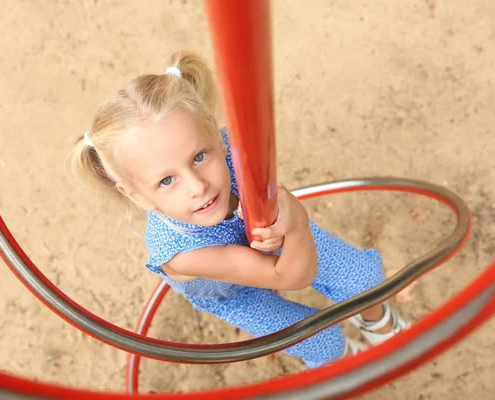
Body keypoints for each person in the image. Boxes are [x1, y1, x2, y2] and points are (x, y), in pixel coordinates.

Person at [69, 51, 409, 368]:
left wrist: (282, 220)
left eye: (199, 157)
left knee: (365, 280)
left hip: (270, 230)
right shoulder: (181, 252)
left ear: (217, 138)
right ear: (137, 195)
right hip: (236, 291)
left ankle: (378, 322)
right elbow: (290, 276)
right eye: (166, 181)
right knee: (321, 341)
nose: (197, 186)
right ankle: (351, 360)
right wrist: (297, 223)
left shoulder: (237, 150)